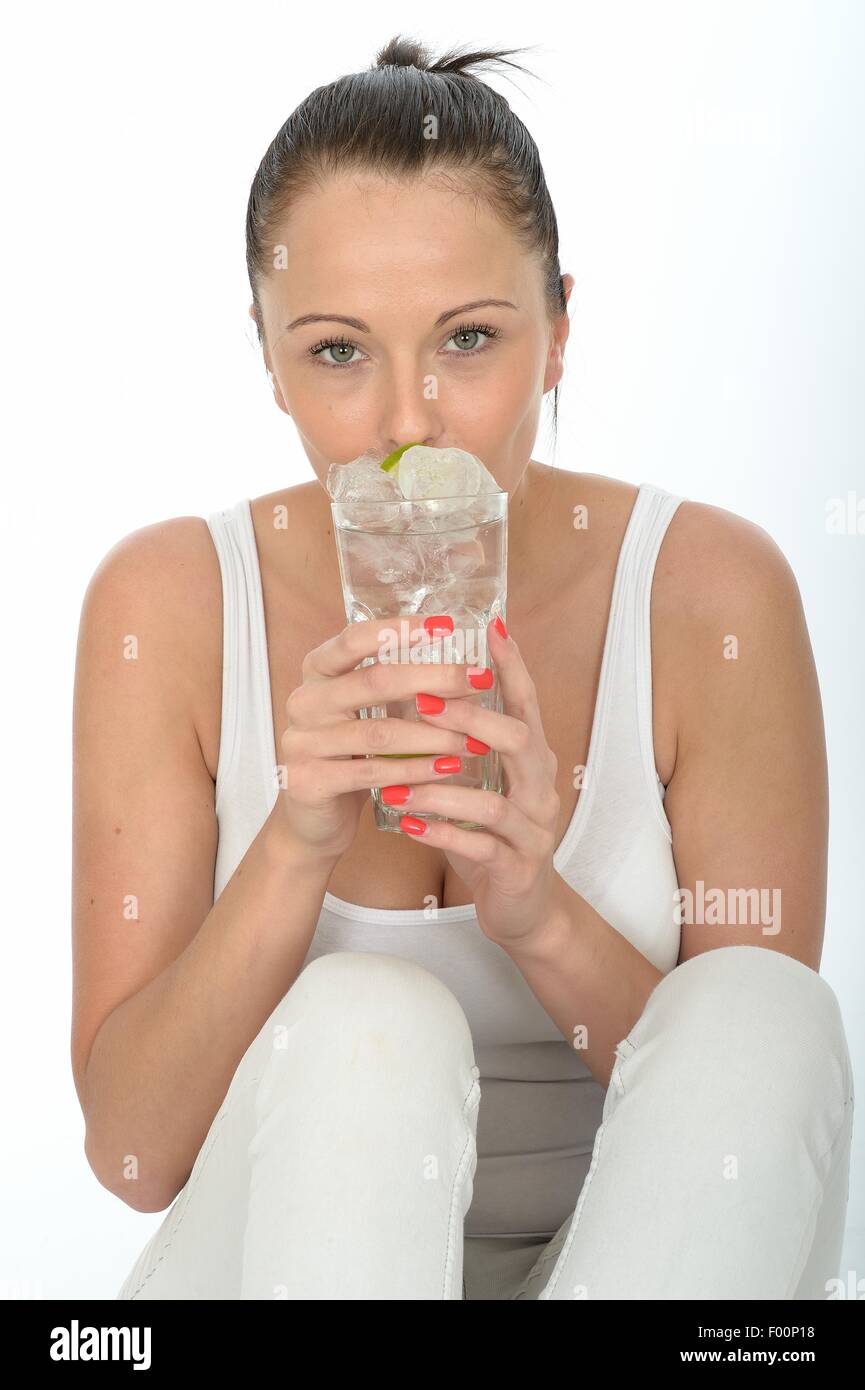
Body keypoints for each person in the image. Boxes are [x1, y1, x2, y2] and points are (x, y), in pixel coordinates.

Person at [71, 34, 854, 1300]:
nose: (407, 421)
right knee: (367, 1024)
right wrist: (294, 842)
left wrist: (536, 904)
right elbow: (130, 1152)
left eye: (470, 339)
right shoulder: (167, 601)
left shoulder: (712, 590)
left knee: (766, 1010)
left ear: (557, 333)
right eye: (336, 351)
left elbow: (745, 1123)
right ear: (268, 359)